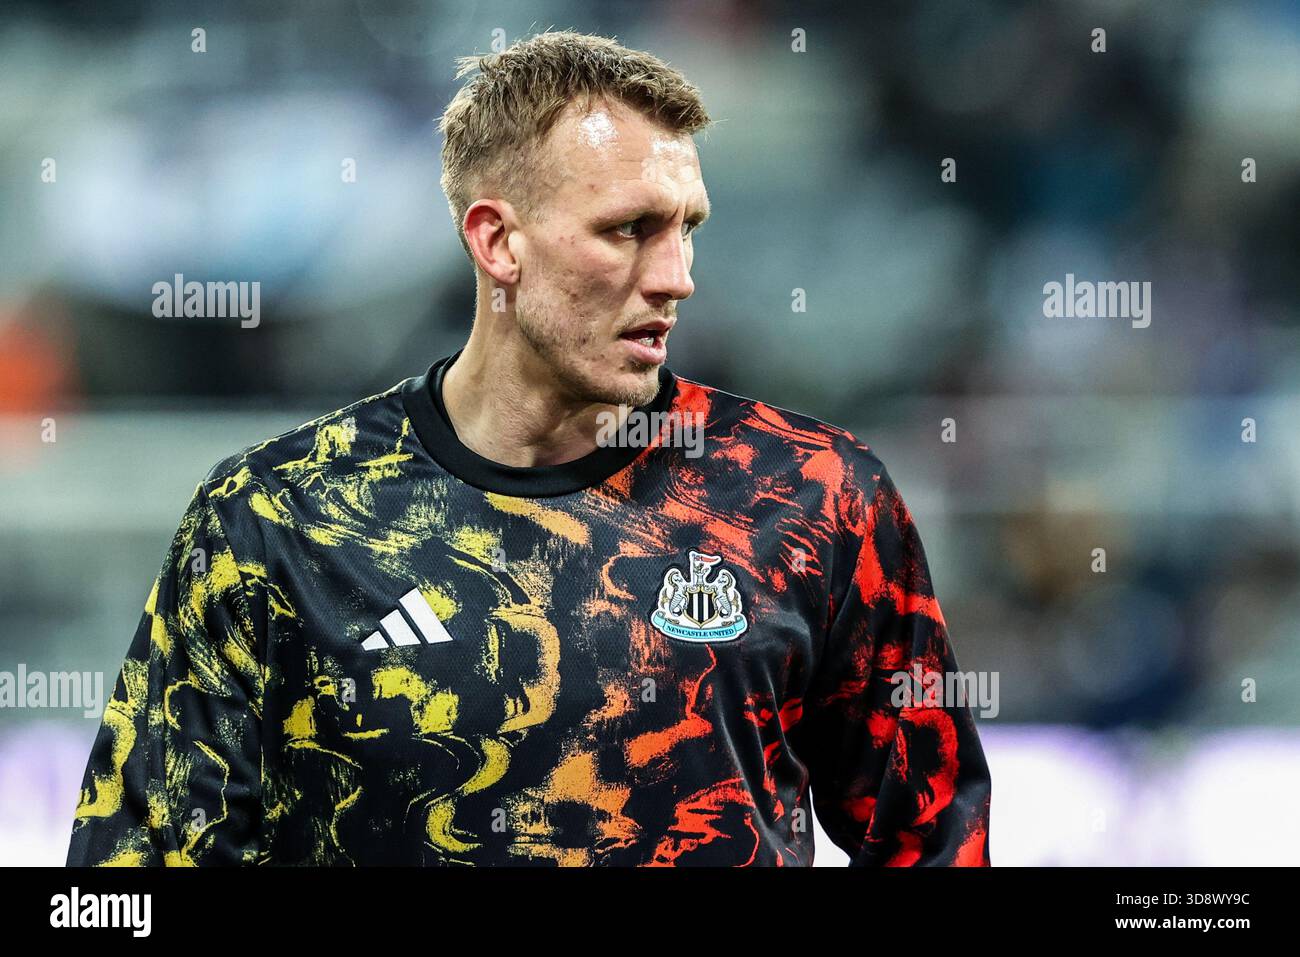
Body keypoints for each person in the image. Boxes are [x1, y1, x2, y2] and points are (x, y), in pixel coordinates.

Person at [67, 29, 991, 866]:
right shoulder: (279, 518)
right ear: (498, 241)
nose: (677, 277)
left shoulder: (812, 495)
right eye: (629, 230)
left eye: (687, 228)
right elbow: (130, 879)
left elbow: (937, 842)